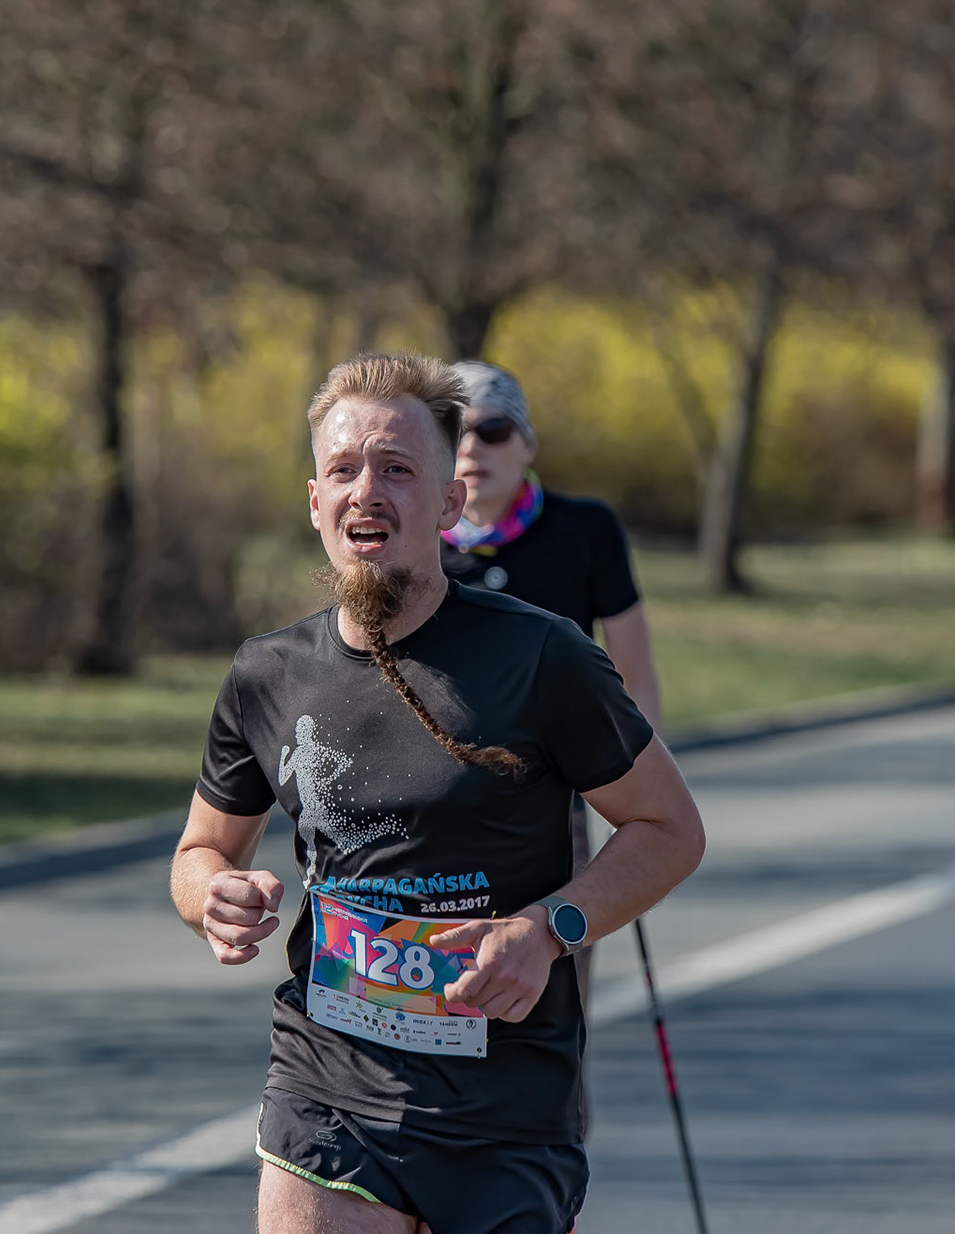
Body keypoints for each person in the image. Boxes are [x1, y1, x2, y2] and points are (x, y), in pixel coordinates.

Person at [168, 352, 706, 1234]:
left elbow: (670, 829)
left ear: (450, 504)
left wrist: (549, 928)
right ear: (315, 501)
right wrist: (212, 898)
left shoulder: (544, 656)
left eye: (397, 469)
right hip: (328, 1086)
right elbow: (201, 851)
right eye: (344, 469)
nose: (366, 491)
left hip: (506, 1107)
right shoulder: (267, 673)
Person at [439, 361, 665, 1008]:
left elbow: (634, 678)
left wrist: (636, 801)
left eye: (493, 430)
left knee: (553, 992)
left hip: (556, 800)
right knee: (445, 995)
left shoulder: (586, 529)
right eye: (453, 432)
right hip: (438, 800)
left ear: (527, 444)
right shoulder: (410, 541)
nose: (472, 448)